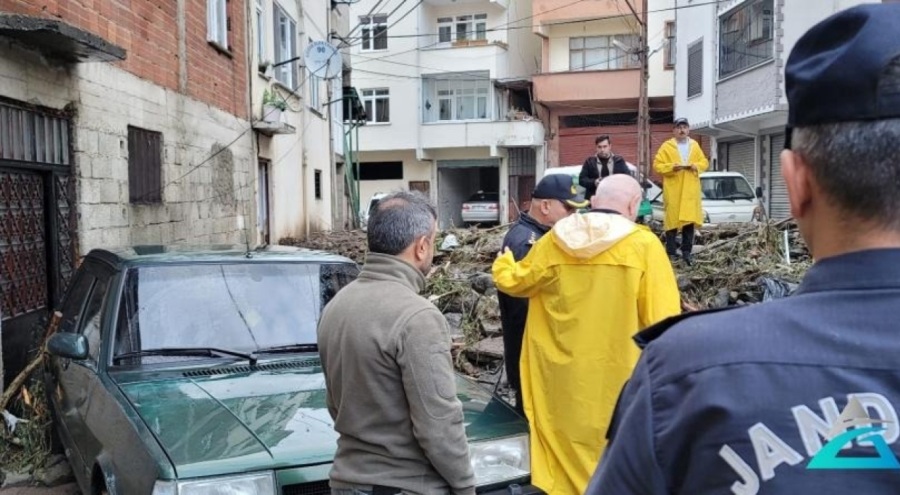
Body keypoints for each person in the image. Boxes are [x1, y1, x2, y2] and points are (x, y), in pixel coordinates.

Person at [587, 4, 900, 494]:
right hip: (677, 194)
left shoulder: (690, 374)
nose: (685, 136)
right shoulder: (658, 154)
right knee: (677, 233)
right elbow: (665, 167)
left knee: (687, 235)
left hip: (692, 200)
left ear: (794, 183)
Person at [491, 174, 681, 495]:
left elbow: (515, 281)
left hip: (560, 384)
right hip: (618, 385)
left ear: (592, 202)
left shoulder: (554, 240)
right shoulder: (644, 246)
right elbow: (663, 326)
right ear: (634, 205)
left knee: (562, 464)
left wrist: (503, 264)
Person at [317, 191, 475, 495]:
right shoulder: (417, 316)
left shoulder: (337, 306)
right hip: (405, 485)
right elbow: (438, 425)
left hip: (346, 482)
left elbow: (336, 405)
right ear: (422, 246)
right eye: (434, 241)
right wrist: (466, 486)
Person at [497, 174, 587, 416]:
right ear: (546, 206)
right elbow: (524, 308)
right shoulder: (527, 242)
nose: (574, 216)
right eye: (569, 209)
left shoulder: (540, 236)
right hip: (531, 355)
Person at [653, 118, 709, 265]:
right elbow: (657, 165)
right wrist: (672, 167)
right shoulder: (667, 146)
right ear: (674, 131)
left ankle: (686, 253)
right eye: (679, 127)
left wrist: (695, 166)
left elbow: (704, 162)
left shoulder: (695, 146)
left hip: (689, 191)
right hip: (674, 190)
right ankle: (671, 252)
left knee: (688, 223)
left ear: (688, 129)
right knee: (671, 222)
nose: (682, 130)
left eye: (684, 127)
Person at [579, 134, 631, 200]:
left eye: (605, 146)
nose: (602, 149)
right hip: (595, 200)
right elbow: (581, 180)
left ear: (610, 146)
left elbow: (628, 178)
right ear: (596, 147)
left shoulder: (619, 160)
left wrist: (615, 182)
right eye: (599, 147)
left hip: (615, 199)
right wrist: (594, 182)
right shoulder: (589, 161)